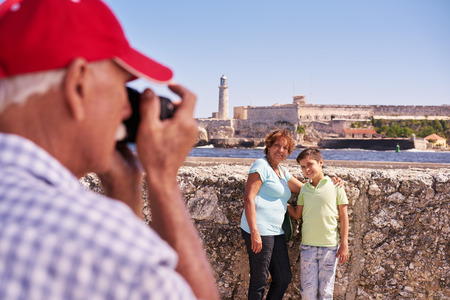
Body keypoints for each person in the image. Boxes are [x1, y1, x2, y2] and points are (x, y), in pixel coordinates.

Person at [0, 0, 219, 299]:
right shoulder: (103, 249)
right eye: (121, 89)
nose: (128, 109)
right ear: (78, 86)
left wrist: (124, 192)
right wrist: (164, 181)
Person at [240, 129, 304, 299]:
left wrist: (330, 183)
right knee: (259, 279)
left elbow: (304, 189)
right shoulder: (261, 165)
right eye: (277, 145)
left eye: (285, 148)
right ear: (268, 146)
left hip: (276, 231)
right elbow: (248, 198)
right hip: (259, 229)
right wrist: (255, 233)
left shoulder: (281, 171)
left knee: (283, 278)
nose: (280, 150)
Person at [288, 148, 349, 300]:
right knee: (307, 293)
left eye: (310, 164)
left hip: (330, 247)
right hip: (308, 247)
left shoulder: (336, 186)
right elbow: (297, 214)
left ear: (320, 163)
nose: (306, 169)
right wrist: (280, 202)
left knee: (326, 293)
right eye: (302, 167)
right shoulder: (304, 190)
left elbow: (343, 216)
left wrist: (344, 244)